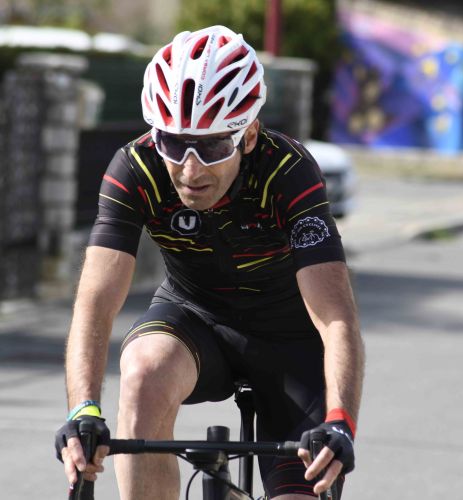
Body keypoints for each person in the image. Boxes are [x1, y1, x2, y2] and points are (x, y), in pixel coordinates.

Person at [55, 25, 364, 499]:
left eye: (214, 146)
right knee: (142, 372)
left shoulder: (289, 172)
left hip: (291, 340)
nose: (191, 168)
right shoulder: (137, 168)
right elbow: (95, 303)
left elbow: (336, 316)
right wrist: (83, 411)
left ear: (250, 134)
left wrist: (341, 419)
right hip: (193, 318)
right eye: (174, 143)